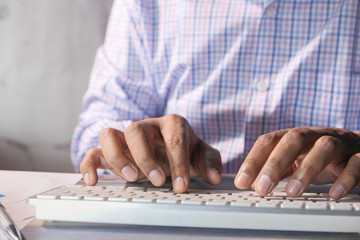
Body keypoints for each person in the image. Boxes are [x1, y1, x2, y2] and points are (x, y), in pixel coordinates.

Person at [71, 0, 360, 200]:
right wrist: (137, 148)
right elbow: (91, 137)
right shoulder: (149, 4)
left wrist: (356, 143)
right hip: (175, 211)